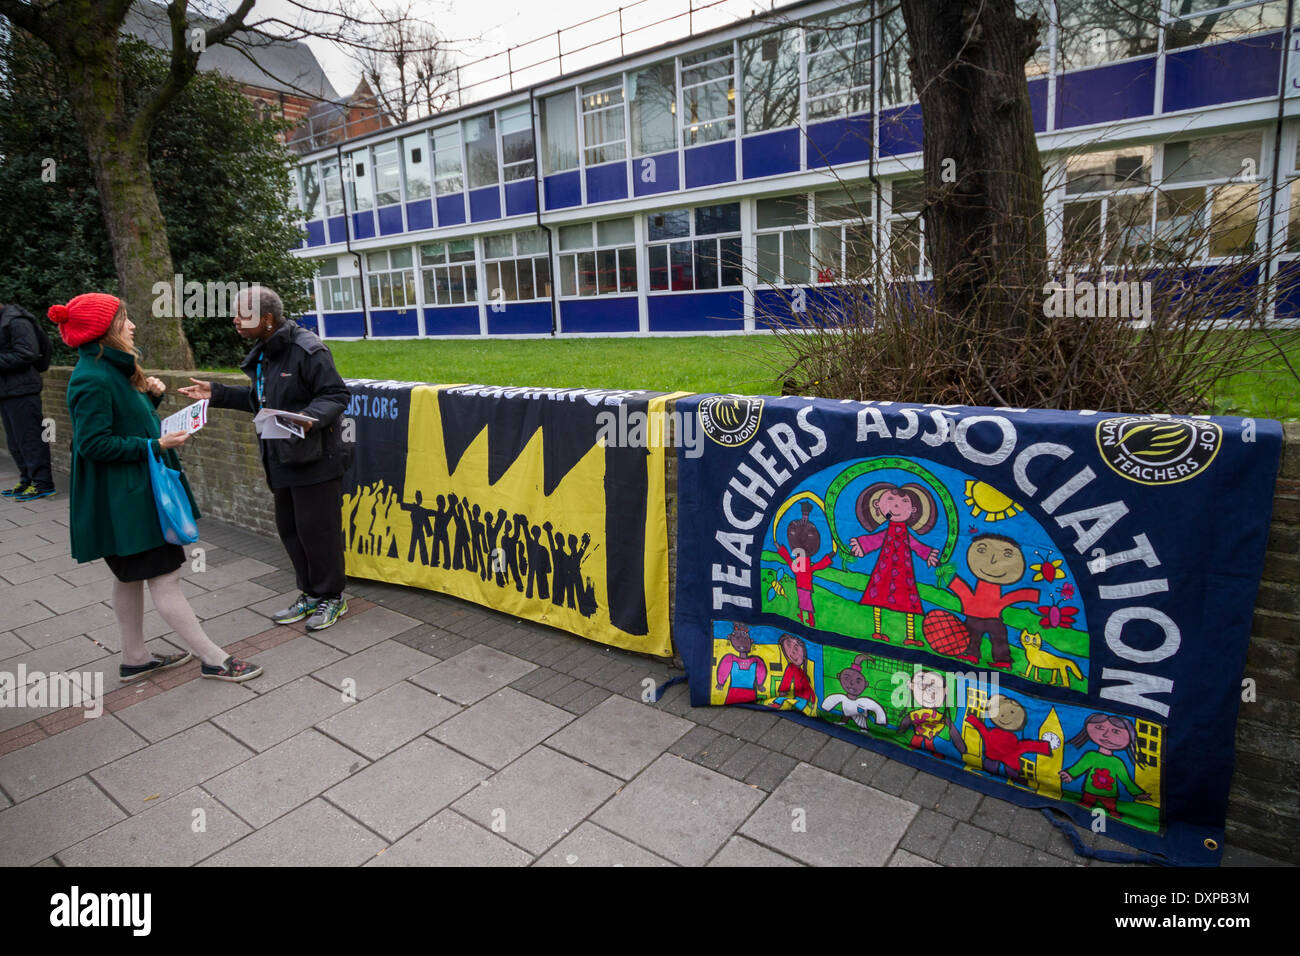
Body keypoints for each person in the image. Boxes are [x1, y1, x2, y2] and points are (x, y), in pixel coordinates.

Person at [49, 293, 261, 682]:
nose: (131, 325)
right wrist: (155, 445)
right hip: (128, 504)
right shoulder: (92, 378)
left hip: (127, 498)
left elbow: (122, 424)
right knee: (165, 577)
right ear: (104, 331)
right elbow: (93, 445)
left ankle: (134, 657)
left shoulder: (110, 369)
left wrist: (153, 398)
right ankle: (214, 659)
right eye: (123, 319)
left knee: (129, 577)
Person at [179, 286, 351, 631]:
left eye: (243, 315)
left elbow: (336, 394)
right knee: (291, 530)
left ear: (267, 319)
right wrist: (218, 394)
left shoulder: (308, 349)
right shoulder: (265, 352)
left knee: (318, 531)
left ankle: (332, 597)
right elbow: (261, 399)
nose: (235, 321)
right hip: (280, 457)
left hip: (314, 459)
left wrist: (306, 419)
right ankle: (309, 593)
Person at [0, 300, 55, 501]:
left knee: (31, 439)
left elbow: (27, 352)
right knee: (15, 442)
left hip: (23, 390)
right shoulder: (4, 321)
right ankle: (27, 480)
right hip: (7, 391)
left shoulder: (15, 321)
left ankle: (43, 483)